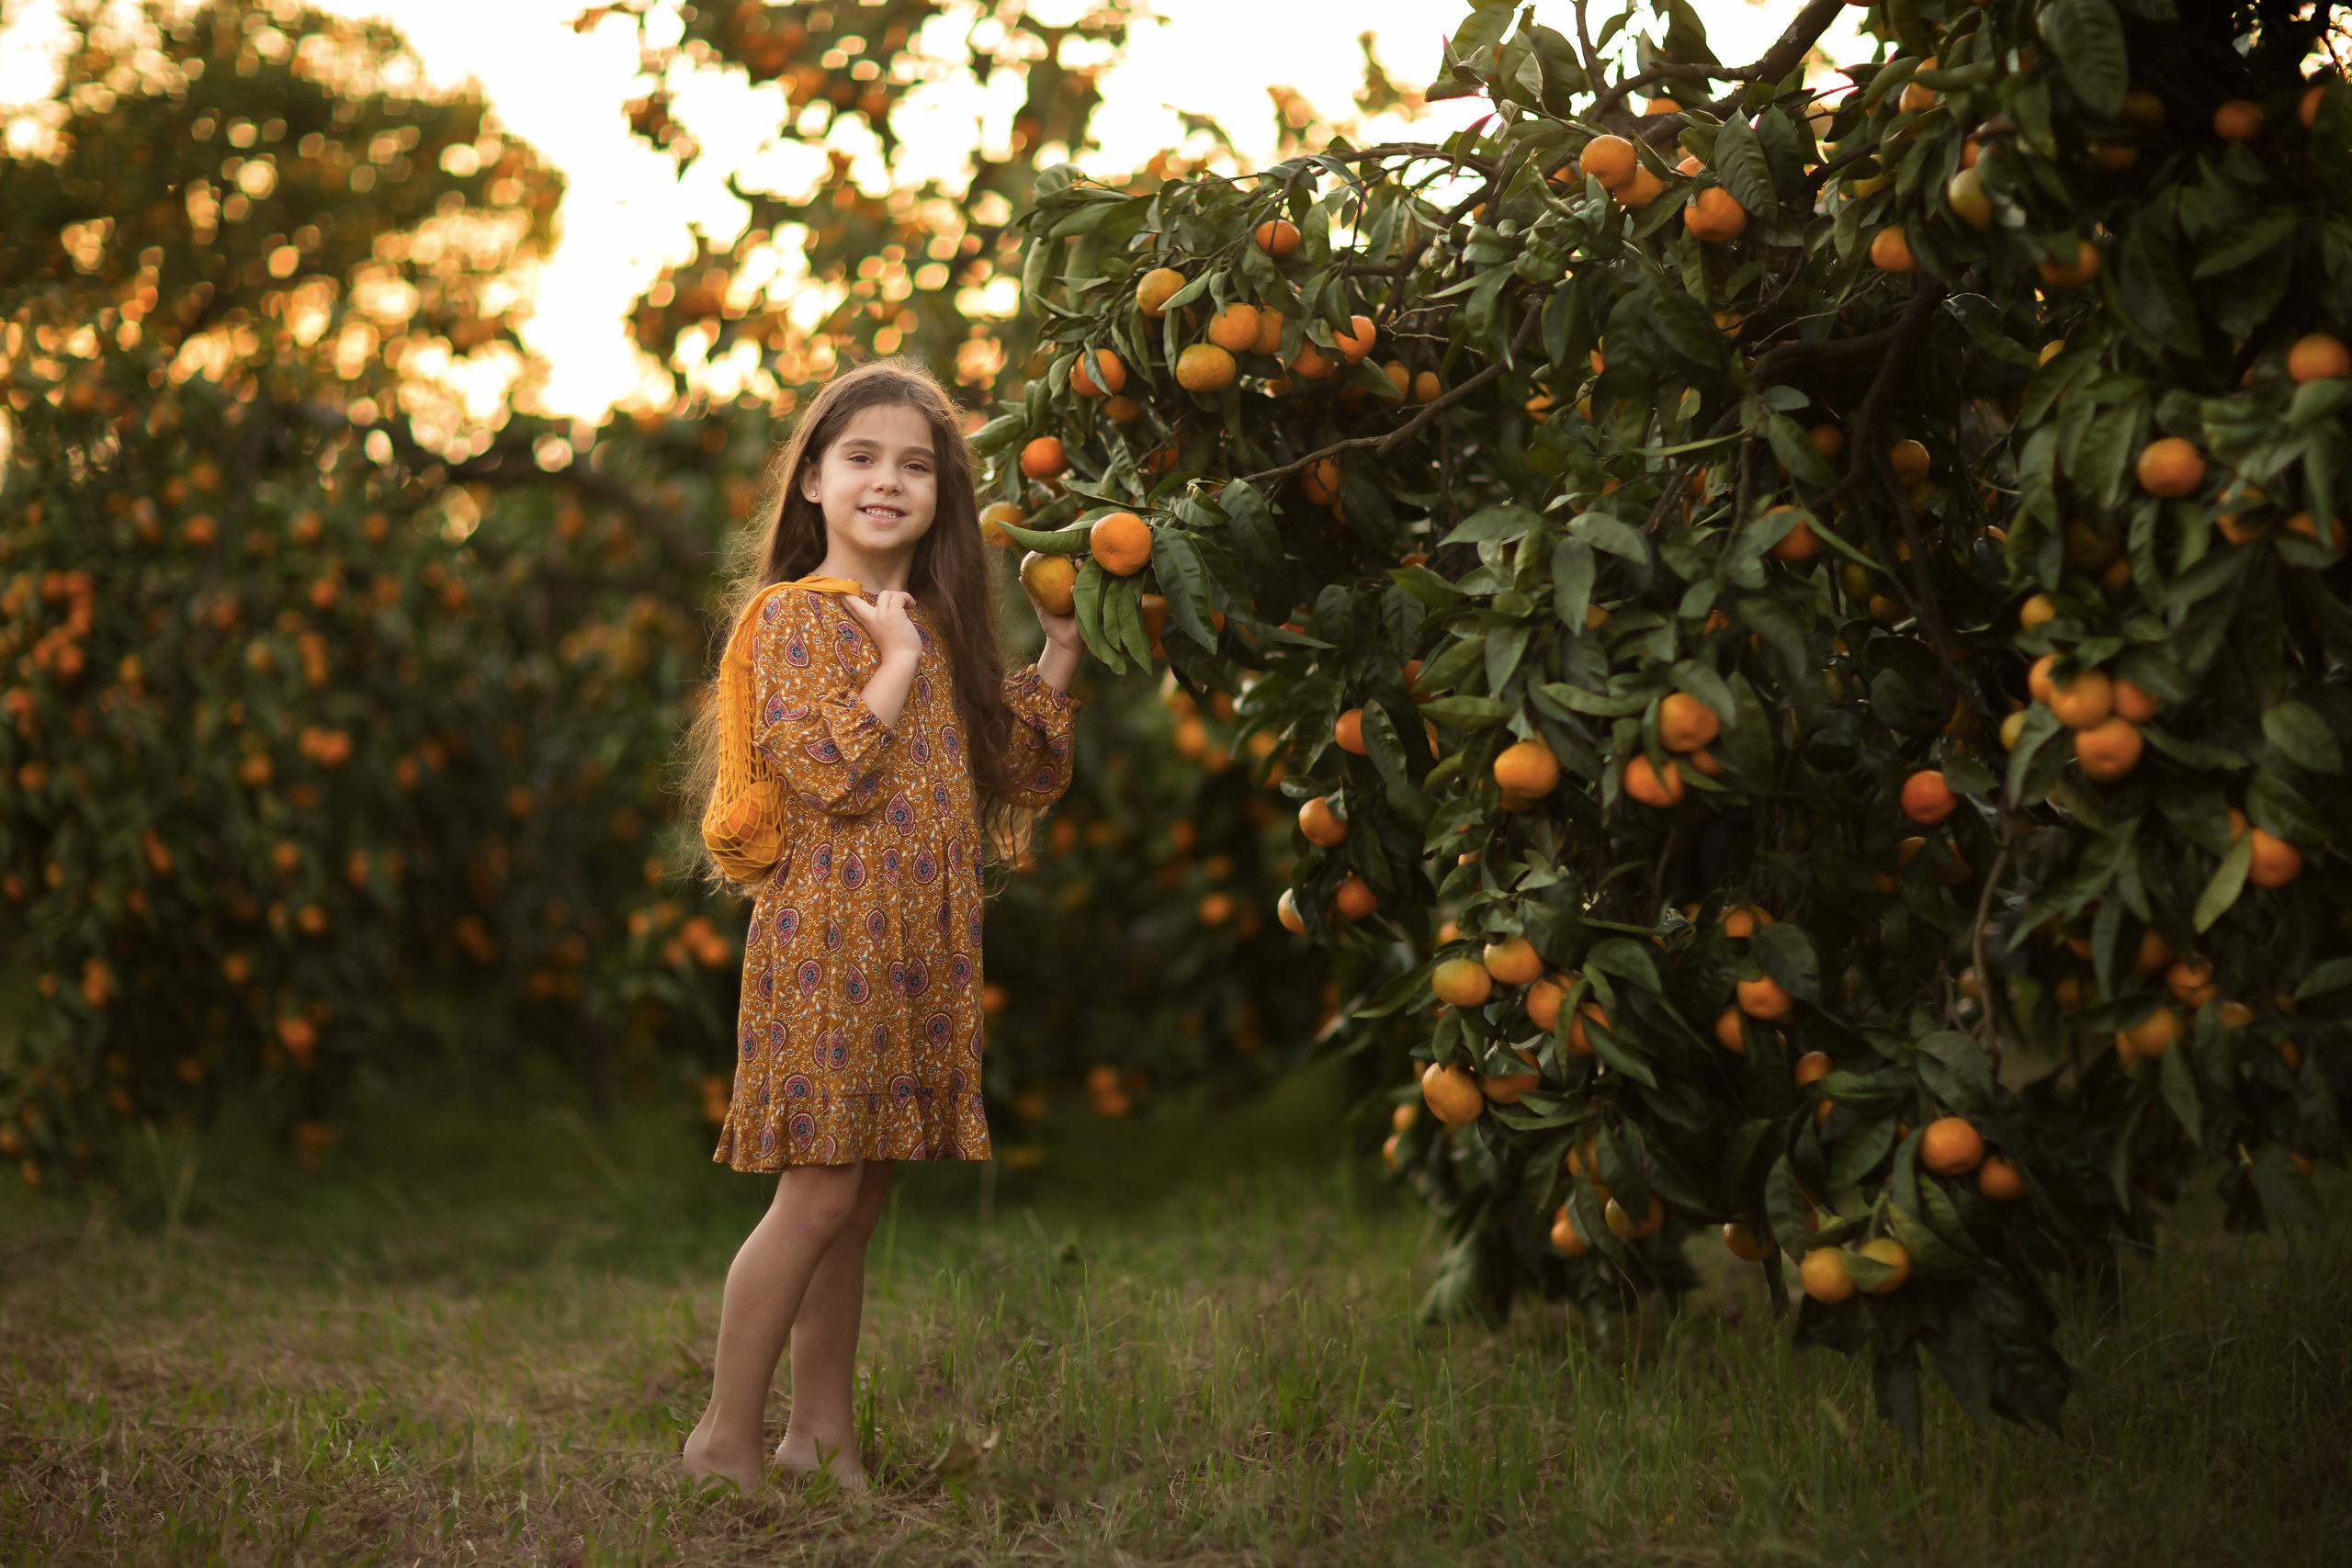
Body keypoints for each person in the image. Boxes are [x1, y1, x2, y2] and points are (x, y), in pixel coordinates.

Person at [678, 358, 1082, 1493]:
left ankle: (820, 1439)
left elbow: (1022, 771)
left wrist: (1058, 650)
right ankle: (722, 1437)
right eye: (860, 457)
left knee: (855, 1201)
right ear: (812, 480)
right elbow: (828, 772)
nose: (888, 480)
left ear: (944, 495)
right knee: (814, 1194)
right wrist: (895, 659)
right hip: (827, 951)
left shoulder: (939, 628)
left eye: (916, 464)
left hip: (915, 953)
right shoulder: (794, 618)